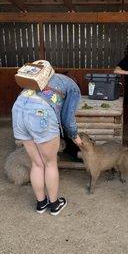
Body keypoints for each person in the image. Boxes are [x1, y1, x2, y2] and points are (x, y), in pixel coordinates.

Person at [12, 66, 82, 215]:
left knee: (37, 163)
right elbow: (67, 119)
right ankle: (55, 204)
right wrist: (75, 136)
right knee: (50, 163)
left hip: (18, 109)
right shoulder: (73, 88)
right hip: (40, 113)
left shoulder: (46, 77)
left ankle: (41, 203)